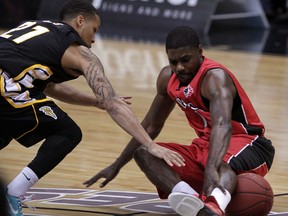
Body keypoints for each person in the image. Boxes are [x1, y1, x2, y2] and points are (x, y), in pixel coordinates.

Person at [0, 1, 185, 215]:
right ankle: (13, 193)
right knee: (67, 132)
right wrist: (150, 144)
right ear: (80, 21)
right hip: (6, 85)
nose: (94, 39)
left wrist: (95, 102)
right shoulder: (80, 52)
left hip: (9, 85)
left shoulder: (38, 28)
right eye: (94, 29)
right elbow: (113, 103)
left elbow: (50, 87)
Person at [84, 26, 275, 216]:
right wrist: (117, 165)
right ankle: (191, 201)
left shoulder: (215, 78)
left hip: (250, 143)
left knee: (218, 164)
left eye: (185, 60)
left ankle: (214, 207)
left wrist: (211, 169)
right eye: (173, 62)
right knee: (144, 152)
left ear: (200, 52)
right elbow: (151, 125)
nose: (180, 67)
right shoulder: (168, 78)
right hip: (206, 146)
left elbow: (222, 125)